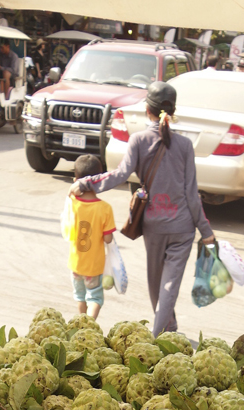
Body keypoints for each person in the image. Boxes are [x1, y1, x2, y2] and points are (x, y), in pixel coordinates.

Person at [69, 81, 215, 336]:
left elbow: (119, 175)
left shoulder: (138, 140)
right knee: (169, 285)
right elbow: (192, 194)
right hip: (182, 227)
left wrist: (86, 182)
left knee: (157, 284)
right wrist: (206, 230)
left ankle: (158, 336)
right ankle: (168, 327)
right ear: (172, 111)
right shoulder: (184, 145)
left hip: (154, 225)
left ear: (148, 108)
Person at [66, 154, 116, 321]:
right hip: (94, 265)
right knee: (94, 298)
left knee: (80, 297)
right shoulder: (104, 208)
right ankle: (89, 325)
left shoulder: (72, 202)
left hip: (76, 263)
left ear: (76, 180)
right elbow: (108, 239)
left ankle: (81, 322)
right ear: (100, 180)